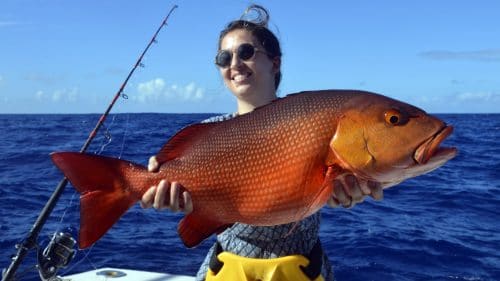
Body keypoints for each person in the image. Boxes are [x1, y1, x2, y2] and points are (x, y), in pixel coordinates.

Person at [140, 5, 383, 281]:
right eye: (224, 57)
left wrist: (345, 191)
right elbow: (184, 200)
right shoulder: (208, 132)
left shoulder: (310, 120)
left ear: (275, 62)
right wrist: (159, 186)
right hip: (226, 269)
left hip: (301, 270)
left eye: (245, 52)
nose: (234, 64)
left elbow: (331, 179)